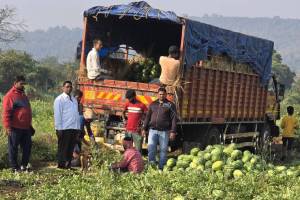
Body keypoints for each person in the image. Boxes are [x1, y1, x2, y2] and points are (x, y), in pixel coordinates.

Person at [2, 75, 34, 172]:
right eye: (21, 83)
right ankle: (14, 167)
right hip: (15, 127)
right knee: (13, 148)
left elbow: (26, 111)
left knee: (27, 147)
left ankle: (23, 166)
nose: (23, 85)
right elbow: (6, 112)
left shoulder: (23, 95)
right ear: (15, 83)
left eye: (24, 83)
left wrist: (30, 125)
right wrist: (7, 127)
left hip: (26, 127)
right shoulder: (10, 96)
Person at [142, 87, 177, 169]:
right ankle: (152, 166)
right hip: (152, 131)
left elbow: (174, 119)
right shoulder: (153, 104)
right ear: (158, 94)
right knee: (151, 149)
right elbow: (147, 117)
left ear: (166, 95)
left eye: (163, 94)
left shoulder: (170, 105)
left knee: (163, 150)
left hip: (165, 131)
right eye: (160, 94)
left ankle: (161, 167)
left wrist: (173, 131)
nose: (161, 96)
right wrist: (144, 128)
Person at [54, 81, 81, 169]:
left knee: (70, 148)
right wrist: (58, 129)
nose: (69, 88)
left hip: (73, 127)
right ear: (63, 88)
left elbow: (76, 114)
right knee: (63, 148)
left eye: (70, 87)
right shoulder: (59, 99)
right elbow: (58, 115)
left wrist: (77, 128)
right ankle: (61, 165)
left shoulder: (74, 99)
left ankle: (68, 164)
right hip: (64, 128)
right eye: (67, 87)